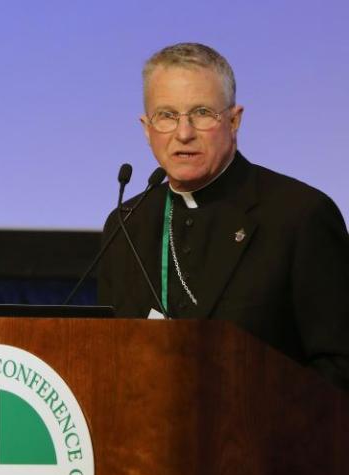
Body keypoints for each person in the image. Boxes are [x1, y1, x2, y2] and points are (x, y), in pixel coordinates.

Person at [98, 42, 349, 391]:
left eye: (201, 113)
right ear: (146, 127)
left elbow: (339, 367)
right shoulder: (127, 224)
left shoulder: (300, 216)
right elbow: (107, 357)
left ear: (234, 120)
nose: (183, 133)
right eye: (166, 116)